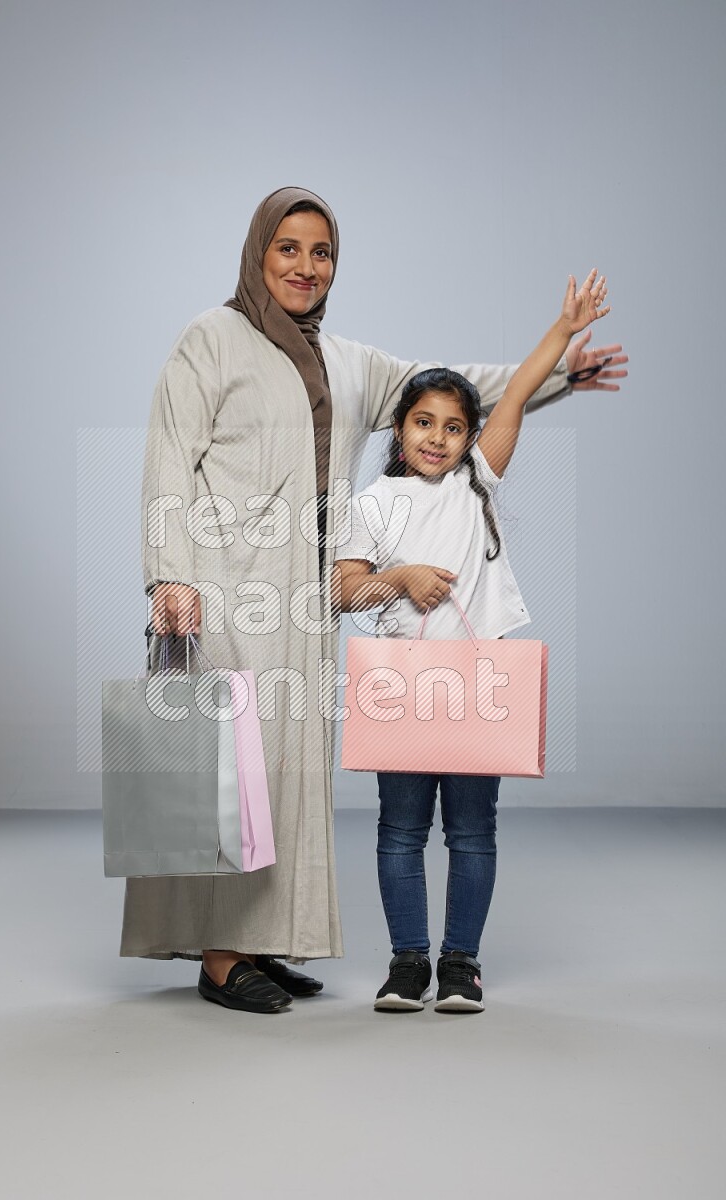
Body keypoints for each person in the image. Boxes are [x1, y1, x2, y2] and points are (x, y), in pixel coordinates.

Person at [120, 185, 627, 1014]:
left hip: (309, 597)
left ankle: (255, 940)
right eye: (289, 248)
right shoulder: (209, 340)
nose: (306, 266)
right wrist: (166, 572)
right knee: (222, 770)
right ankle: (217, 957)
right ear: (258, 253)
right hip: (221, 586)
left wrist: (558, 374)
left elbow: (458, 392)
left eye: (322, 253)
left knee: (287, 774)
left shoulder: (350, 362)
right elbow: (169, 457)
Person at [332, 268, 611, 1013]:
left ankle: (461, 965)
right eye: (424, 422)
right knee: (400, 829)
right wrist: (403, 578)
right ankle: (406, 964)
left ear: (468, 438)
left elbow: (516, 392)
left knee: (472, 830)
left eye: (454, 427)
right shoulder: (374, 502)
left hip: (478, 682)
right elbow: (341, 589)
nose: (439, 438)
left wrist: (564, 331)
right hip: (402, 682)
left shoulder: (477, 483)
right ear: (400, 430)